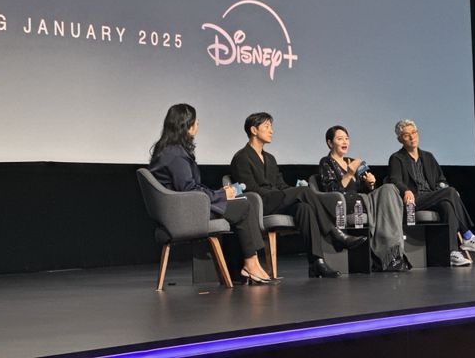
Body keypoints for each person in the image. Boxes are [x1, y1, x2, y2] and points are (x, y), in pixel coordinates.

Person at [149, 104, 277, 285]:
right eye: (196, 123)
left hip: (184, 208)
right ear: (186, 125)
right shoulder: (175, 154)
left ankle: (250, 264)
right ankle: (251, 263)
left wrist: (219, 193)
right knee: (244, 205)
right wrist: (221, 195)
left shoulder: (169, 150)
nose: (197, 125)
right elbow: (190, 190)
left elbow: (190, 188)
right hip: (184, 213)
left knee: (244, 201)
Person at [230, 112, 367, 278]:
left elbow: (281, 185)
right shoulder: (241, 157)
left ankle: (317, 263)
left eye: (271, 127)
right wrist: (287, 193)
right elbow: (250, 190)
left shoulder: (270, 158)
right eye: (267, 127)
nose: (271, 131)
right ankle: (334, 232)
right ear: (253, 130)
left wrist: (290, 191)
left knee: (304, 208)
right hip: (259, 204)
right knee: (305, 192)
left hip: (277, 200)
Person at [388, 119, 475, 266]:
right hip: (413, 200)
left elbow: (441, 180)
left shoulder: (428, 157)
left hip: (431, 196)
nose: (412, 137)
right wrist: (406, 190)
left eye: (414, 132)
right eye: (406, 135)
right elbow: (394, 180)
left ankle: (452, 252)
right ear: (400, 139)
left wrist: (444, 190)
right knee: (450, 192)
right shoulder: (397, 158)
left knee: (447, 204)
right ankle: (467, 235)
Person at [319, 125, 411, 272]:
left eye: (347, 138)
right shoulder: (326, 162)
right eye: (340, 139)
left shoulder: (351, 161)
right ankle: (387, 257)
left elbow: (364, 189)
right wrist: (349, 174)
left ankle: (394, 254)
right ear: (330, 143)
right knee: (385, 201)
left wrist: (370, 184)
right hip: (344, 203)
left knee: (389, 189)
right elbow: (332, 192)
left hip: (362, 199)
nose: (345, 142)